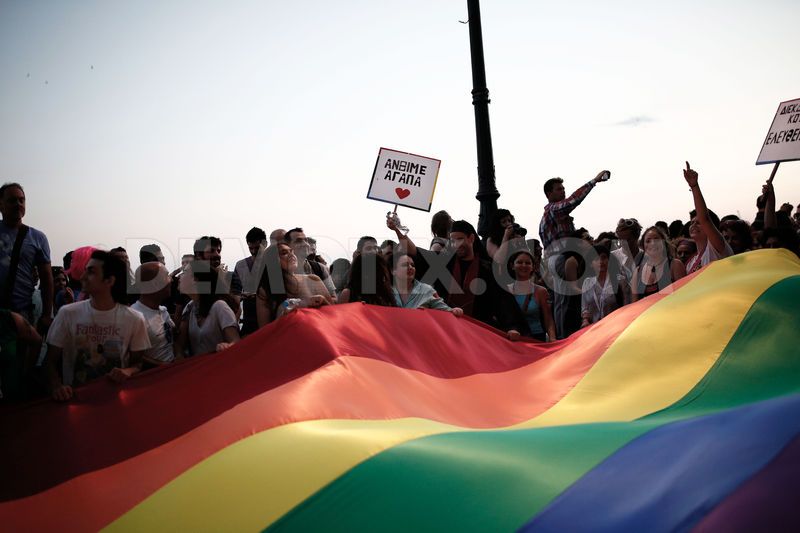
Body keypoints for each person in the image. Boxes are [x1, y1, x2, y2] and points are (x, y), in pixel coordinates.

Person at [388, 217, 527, 339]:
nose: (455, 244)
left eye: (460, 239)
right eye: (452, 240)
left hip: (478, 333)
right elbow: (415, 251)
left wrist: (512, 326)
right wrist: (397, 230)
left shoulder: (487, 269)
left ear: (471, 239)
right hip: (446, 332)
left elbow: (502, 300)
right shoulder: (443, 263)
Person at [44, 250, 151, 401]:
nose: (82, 277)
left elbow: (138, 363)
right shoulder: (67, 313)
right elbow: (50, 361)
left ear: (109, 281)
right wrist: (57, 386)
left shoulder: (134, 319)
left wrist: (128, 371)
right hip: (75, 402)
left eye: (91, 272)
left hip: (116, 402)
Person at [539, 170, 611, 339]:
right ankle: (565, 338)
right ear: (549, 194)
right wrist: (593, 181)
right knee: (566, 301)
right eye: (558, 189)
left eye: (563, 188)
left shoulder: (551, 215)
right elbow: (573, 201)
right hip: (560, 259)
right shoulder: (553, 210)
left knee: (561, 301)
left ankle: (563, 337)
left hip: (556, 259)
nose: (563, 191)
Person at [0, 183, 53, 332]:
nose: (18, 204)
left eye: (21, 200)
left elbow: (47, 278)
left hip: (22, 313)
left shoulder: (38, 238)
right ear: (1, 205)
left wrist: (46, 315)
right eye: (12, 200)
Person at [255, 243, 333, 327]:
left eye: (292, 252)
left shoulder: (313, 279)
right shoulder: (265, 290)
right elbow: (264, 329)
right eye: (284, 253)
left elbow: (333, 314)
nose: (291, 255)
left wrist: (323, 300)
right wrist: (283, 315)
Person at [174, 261, 240, 356]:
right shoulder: (189, 307)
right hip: (197, 368)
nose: (179, 277)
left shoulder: (220, 307)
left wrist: (226, 346)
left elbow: (236, 342)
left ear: (196, 280)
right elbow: (179, 344)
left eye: (184, 273)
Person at [682, 162, 732, 273]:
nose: (694, 225)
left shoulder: (717, 248)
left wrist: (694, 186)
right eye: (692, 223)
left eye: (698, 222)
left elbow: (705, 219)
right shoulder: (690, 263)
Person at [131, 262, 175, 366]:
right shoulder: (135, 317)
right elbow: (134, 357)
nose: (171, 280)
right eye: (167, 276)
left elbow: (173, 336)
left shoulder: (163, 311)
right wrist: (162, 366)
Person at [391, 254, 462, 315]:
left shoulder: (427, 290)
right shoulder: (386, 291)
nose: (410, 267)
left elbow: (445, 310)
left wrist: (454, 311)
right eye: (405, 265)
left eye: (413, 265)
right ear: (393, 271)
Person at [508, 250, 555, 341]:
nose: (524, 265)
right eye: (519, 262)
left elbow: (548, 319)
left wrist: (552, 338)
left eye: (528, 263)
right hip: (512, 339)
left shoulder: (541, 291)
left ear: (533, 267)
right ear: (512, 266)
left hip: (536, 339)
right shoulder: (507, 290)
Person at [632, 226, 686, 301]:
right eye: (648, 241)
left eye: (656, 239)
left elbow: (685, 297)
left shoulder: (675, 265)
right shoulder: (637, 272)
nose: (653, 243)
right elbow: (634, 304)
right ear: (643, 246)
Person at [284, 228, 337, 298]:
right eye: (298, 241)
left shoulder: (320, 268)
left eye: (306, 240)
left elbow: (334, 299)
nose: (305, 244)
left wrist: (318, 301)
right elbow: (274, 304)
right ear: (288, 246)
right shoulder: (279, 272)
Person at [580, 245, 625, 328]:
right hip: (594, 327)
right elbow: (585, 307)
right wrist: (585, 320)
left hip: (615, 326)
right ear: (590, 264)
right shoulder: (587, 283)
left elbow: (627, 305)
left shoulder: (619, 280)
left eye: (603, 258)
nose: (601, 261)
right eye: (596, 259)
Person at [234, 227, 267, 336]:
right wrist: (242, 295)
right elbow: (235, 292)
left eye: (257, 248)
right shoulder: (240, 265)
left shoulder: (275, 264)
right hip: (248, 320)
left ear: (265, 244)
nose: (253, 251)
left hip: (269, 320)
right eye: (250, 248)